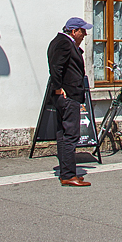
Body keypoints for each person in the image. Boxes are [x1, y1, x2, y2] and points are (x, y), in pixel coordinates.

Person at [46, 17, 93, 187]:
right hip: (67, 96)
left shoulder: (61, 42)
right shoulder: (64, 43)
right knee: (71, 135)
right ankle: (67, 175)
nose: (85, 34)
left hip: (65, 95)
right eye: (83, 31)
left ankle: (68, 171)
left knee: (63, 134)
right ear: (73, 31)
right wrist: (59, 88)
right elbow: (56, 67)